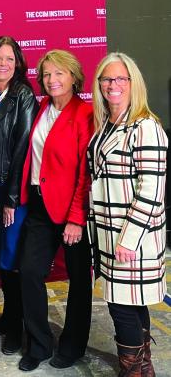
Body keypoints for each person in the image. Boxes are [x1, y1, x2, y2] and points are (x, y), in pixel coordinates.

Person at [88, 52, 167, 376]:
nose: (113, 85)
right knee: (132, 303)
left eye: (121, 79)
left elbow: (151, 191)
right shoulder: (107, 122)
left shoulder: (146, 127)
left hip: (131, 237)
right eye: (107, 79)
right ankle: (142, 366)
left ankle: (134, 370)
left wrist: (129, 240)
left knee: (121, 307)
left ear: (134, 84)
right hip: (109, 232)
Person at [18, 50, 93, 371]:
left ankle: (73, 346)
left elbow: (86, 172)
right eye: (46, 74)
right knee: (30, 271)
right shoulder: (44, 108)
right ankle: (39, 344)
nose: (52, 80)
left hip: (70, 210)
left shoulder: (86, 114)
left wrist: (76, 218)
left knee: (79, 280)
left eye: (59, 73)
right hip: (38, 205)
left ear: (74, 77)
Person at [0, 36, 38, 354]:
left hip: (13, 192)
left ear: (18, 64)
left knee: (13, 256)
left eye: (10, 59)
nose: (3, 64)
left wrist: (13, 199)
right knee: (3, 254)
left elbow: (24, 149)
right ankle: (10, 312)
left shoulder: (23, 96)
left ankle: (18, 325)